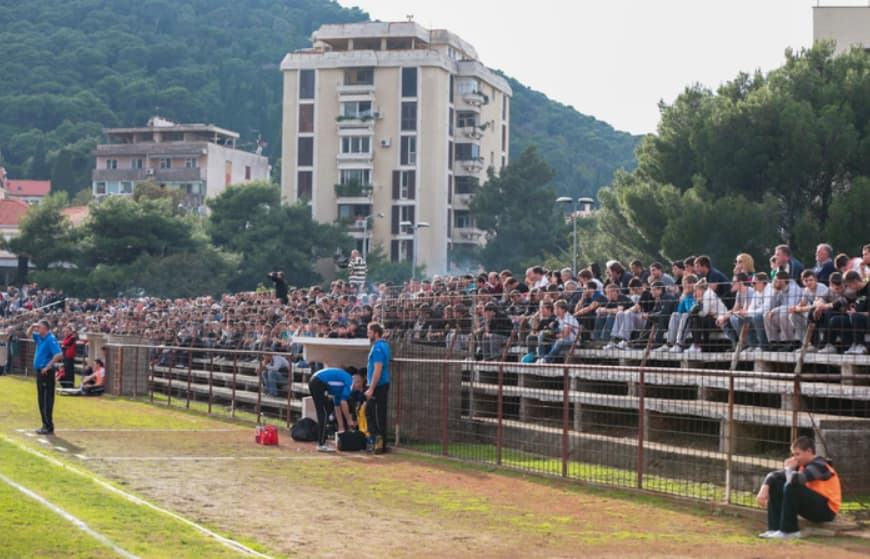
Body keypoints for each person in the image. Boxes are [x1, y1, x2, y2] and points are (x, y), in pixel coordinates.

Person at [756, 436, 841, 539]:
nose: (794, 458)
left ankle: (789, 531)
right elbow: (773, 475)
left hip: (826, 511)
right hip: (812, 506)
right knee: (777, 483)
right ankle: (775, 529)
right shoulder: (802, 465)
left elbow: (796, 480)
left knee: (792, 485)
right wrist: (764, 489)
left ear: (809, 451)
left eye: (797, 454)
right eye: (793, 454)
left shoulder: (820, 465)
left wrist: (789, 468)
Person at [307, 367, 358, 452]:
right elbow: (343, 402)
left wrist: (341, 427)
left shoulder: (340, 388)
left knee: (325, 411)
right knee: (324, 412)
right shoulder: (350, 382)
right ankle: (321, 444)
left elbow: (337, 406)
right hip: (318, 381)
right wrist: (349, 420)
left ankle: (322, 442)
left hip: (315, 380)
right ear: (357, 382)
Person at [26, 320, 63, 435]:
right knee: (41, 399)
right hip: (40, 372)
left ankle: (48, 425)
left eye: (40, 327)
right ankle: (45, 424)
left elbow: (58, 354)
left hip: (46, 373)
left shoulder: (50, 339)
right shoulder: (40, 337)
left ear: (46, 329)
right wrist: (32, 325)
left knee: (46, 399)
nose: (38, 329)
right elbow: (28, 334)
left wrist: (48, 366)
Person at [365, 321, 390, 454]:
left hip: (378, 386)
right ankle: (379, 443)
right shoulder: (383, 345)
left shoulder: (378, 348)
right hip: (380, 385)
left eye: (369, 332)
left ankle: (378, 442)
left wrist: (371, 388)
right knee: (376, 413)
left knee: (374, 414)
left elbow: (377, 369)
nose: (368, 335)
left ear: (375, 333)